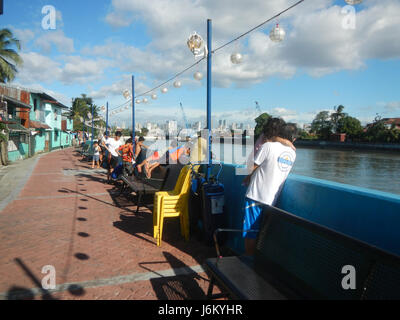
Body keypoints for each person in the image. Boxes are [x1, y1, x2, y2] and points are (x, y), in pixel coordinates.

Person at [242, 118, 298, 256]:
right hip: (272, 200)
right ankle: (256, 262)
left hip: (255, 196)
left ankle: (249, 264)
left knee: (250, 232)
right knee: (261, 233)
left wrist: (247, 178)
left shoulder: (268, 146)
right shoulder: (292, 153)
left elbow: (251, 167)